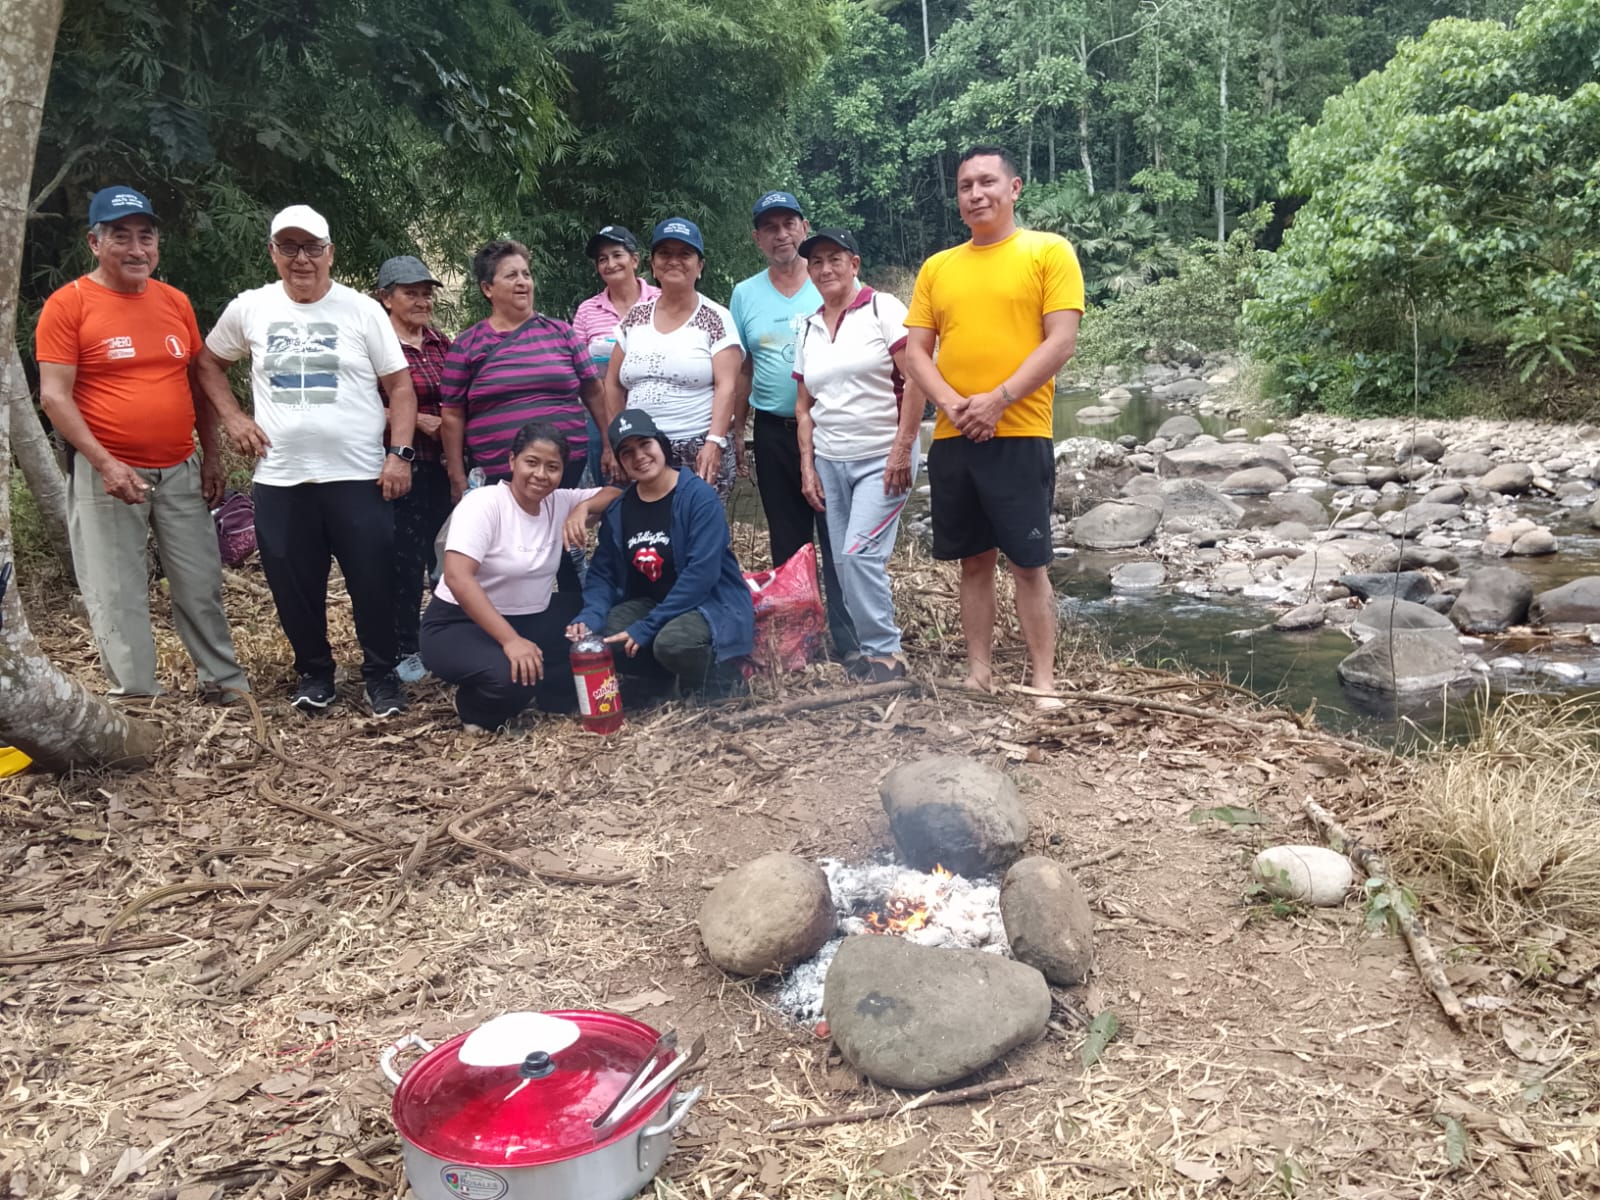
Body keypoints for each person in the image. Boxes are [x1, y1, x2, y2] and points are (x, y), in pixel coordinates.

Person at [195, 204, 419, 717]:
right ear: (273, 253)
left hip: (358, 474)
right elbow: (207, 363)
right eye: (289, 247)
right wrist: (233, 417)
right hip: (282, 476)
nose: (302, 259)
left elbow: (401, 387)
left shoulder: (360, 310)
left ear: (329, 253)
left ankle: (381, 676)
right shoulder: (251, 307)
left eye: (312, 247)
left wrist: (400, 455)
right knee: (293, 585)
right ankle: (315, 673)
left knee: (373, 580)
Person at [35, 185, 248, 701]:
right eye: (121, 236)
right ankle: (137, 694)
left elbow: (197, 383)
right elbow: (54, 397)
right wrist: (105, 463)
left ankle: (222, 681)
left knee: (199, 580)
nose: (136, 249)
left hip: (180, 465)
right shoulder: (69, 305)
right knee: (116, 590)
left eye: (145, 237)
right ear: (94, 242)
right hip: (106, 472)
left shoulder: (174, 302)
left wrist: (211, 455)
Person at [902, 146, 1085, 704]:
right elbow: (916, 352)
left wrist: (999, 400)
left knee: (1029, 563)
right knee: (973, 561)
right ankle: (978, 673)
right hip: (954, 436)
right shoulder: (938, 267)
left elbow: (1061, 340)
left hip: (1020, 432)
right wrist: (953, 404)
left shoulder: (1048, 251)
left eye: (987, 182)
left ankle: (1044, 680)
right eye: (965, 186)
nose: (976, 194)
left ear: (1014, 188)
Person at [419, 422, 618, 732]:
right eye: (531, 462)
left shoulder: (559, 502)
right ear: (512, 461)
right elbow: (458, 578)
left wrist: (584, 509)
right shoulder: (484, 503)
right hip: (459, 623)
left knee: (594, 621)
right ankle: (473, 706)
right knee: (513, 680)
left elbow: (615, 493)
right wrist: (511, 641)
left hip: (529, 616)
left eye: (552, 467)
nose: (541, 474)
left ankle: (552, 689)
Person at [731, 190, 858, 663]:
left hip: (831, 428)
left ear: (804, 228)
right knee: (788, 541)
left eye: (789, 224)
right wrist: (737, 431)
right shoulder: (745, 294)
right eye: (770, 227)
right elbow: (744, 367)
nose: (781, 235)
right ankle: (798, 642)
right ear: (757, 238)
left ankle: (849, 640)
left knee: (838, 536)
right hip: (771, 431)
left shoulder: (828, 279)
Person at [793, 229, 924, 684]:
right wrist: (807, 465)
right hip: (830, 459)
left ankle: (886, 654)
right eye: (816, 262)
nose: (825, 269)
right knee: (843, 562)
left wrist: (903, 448)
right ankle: (872, 652)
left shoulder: (882, 309)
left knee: (859, 555)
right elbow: (804, 407)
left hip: (882, 455)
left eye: (835, 259)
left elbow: (916, 379)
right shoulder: (807, 327)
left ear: (855, 264)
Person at [569, 409, 754, 698]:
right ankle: (664, 678)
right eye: (627, 452)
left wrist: (647, 626)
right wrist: (589, 615)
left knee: (673, 643)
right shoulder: (620, 509)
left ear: (661, 444)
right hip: (652, 602)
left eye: (645, 444)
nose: (639, 456)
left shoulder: (698, 498)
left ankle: (723, 680)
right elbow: (602, 574)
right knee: (602, 636)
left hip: (708, 602)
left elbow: (701, 575)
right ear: (620, 461)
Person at [439, 240, 607, 503]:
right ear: (487, 288)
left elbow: (594, 392)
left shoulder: (562, 332)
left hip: (566, 473)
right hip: (499, 480)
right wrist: (456, 476)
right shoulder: (467, 345)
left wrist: (609, 445)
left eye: (526, 274)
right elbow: (452, 414)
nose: (522, 282)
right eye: (511, 275)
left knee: (564, 530)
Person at [604, 218, 741, 500]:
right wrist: (619, 439)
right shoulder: (635, 318)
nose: (674, 261)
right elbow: (613, 383)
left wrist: (714, 442)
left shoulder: (716, 318)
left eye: (685, 254)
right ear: (653, 265)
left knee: (697, 524)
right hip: (641, 451)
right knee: (646, 525)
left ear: (700, 266)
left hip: (697, 449)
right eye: (665, 254)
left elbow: (727, 386)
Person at [375, 255, 453, 684]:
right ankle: (405, 647)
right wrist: (417, 420)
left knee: (446, 556)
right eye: (411, 294)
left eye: (426, 293)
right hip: (400, 466)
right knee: (403, 562)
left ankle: (445, 636)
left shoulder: (441, 343)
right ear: (386, 298)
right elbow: (360, 403)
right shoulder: (377, 345)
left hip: (444, 466)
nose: (422, 301)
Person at [571, 225, 660, 483]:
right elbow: (578, 371)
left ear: (635, 260)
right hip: (602, 420)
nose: (610, 264)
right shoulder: (587, 311)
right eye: (602, 259)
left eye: (617, 255)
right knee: (612, 492)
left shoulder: (661, 301)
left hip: (656, 413)